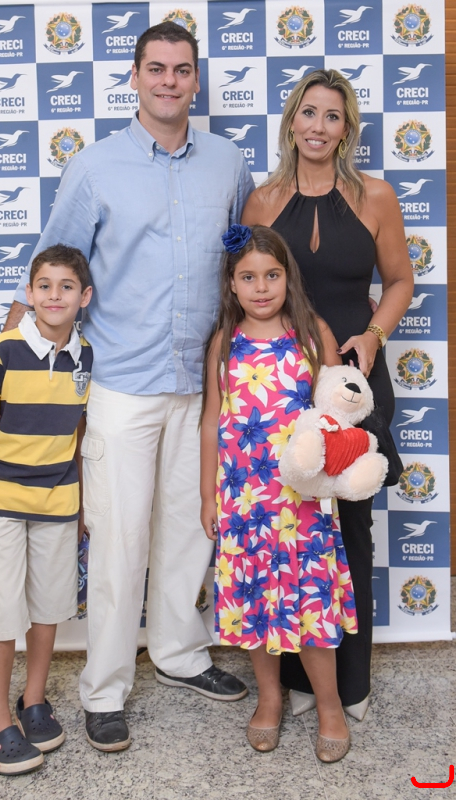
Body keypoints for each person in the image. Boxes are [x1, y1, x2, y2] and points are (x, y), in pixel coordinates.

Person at [4, 22, 255, 751]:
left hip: (201, 385)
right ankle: (105, 688)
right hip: (121, 382)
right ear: (136, 77)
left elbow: (245, 259)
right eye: (156, 68)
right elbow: (54, 262)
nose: (169, 81)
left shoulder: (229, 163)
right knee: (117, 542)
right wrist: (16, 356)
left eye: (182, 69)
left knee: (190, 531)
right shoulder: (94, 167)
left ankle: (180, 653)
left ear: (196, 80)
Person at [242, 69, 414, 719]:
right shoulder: (261, 202)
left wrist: (372, 335)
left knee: (353, 527)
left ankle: (352, 681)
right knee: (290, 527)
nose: (318, 126)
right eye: (308, 112)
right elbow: (247, 285)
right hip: (284, 385)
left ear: (347, 130)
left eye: (332, 116)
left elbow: (399, 281)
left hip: (353, 382)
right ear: (291, 121)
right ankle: (295, 680)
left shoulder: (377, 196)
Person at [200, 223, 357, 761]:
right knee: (256, 605)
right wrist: (208, 496)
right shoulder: (224, 342)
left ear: (288, 277)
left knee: (309, 602)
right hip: (244, 501)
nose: (261, 287)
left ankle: (330, 706)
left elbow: (338, 414)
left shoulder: (312, 333)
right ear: (231, 283)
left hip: (302, 501)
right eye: (248, 277)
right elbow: (211, 421)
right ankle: (269, 698)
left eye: (271, 275)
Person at [0, 245, 93, 774]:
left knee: (49, 606)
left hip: (57, 501)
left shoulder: (86, 356)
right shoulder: (3, 351)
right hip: (1, 500)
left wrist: (79, 503)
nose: (54, 295)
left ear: (84, 297)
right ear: (30, 294)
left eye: (66, 286)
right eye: (44, 286)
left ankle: (33, 700)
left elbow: (78, 434)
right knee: (3, 610)